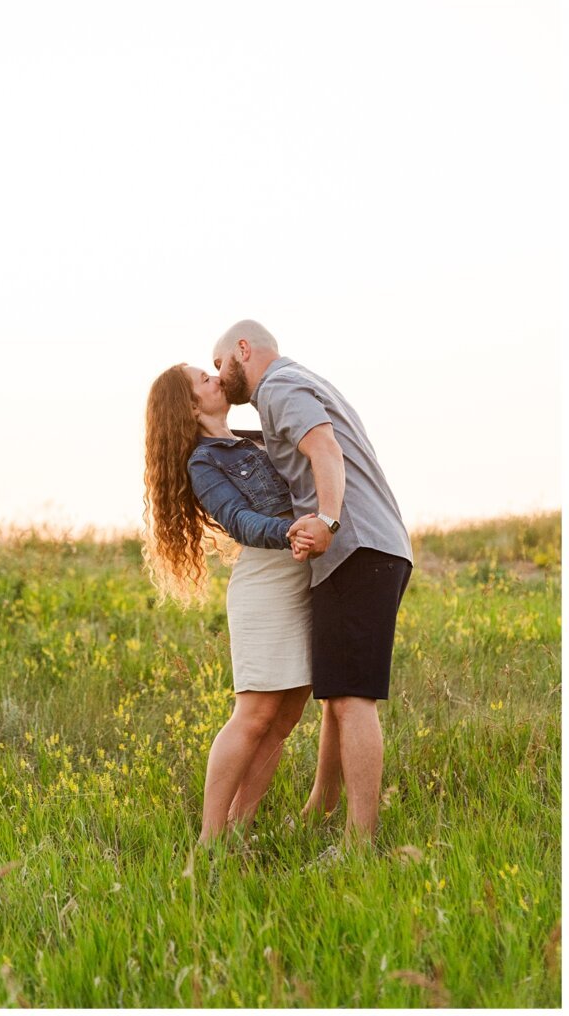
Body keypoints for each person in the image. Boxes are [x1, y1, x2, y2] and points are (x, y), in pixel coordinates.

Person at [212, 320, 414, 850]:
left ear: (242, 349)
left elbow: (324, 448)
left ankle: (358, 842)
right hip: (362, 550)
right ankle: (319, 812)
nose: (218, 376)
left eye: (217, 364)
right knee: (335, 696)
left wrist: (326, 519)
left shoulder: (278, 386)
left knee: (351, 699)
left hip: (356, 547)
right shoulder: (296, 386)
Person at [143, 363, 335, 844]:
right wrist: (291, 531)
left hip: (301, 574)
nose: (215, 378)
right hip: (266, 583)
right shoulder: (204, 462)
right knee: (253, 715)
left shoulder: (255, 434)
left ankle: (238, 829)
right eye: (202, 380)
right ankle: (210, 843)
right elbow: (239, 520)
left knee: (286, 716)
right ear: (189, 406)